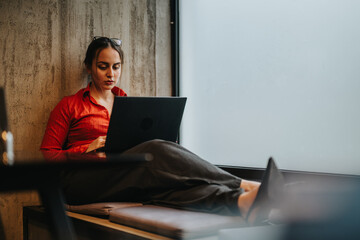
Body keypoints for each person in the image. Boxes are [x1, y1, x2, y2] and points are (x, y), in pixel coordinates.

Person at [40, 37, 263, 220]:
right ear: (89, 67)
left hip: (124, 173)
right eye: (103, 67)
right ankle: (244, 184)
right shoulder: (70, 105)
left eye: (116, 67)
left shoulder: (128, 105)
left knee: (166, 186)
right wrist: (86, 149)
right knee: (155, 150)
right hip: (81, 182)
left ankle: (239, 202)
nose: (111, 74)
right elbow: (47, 156)